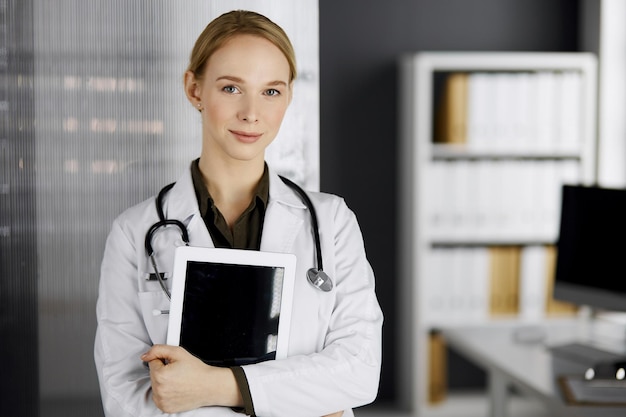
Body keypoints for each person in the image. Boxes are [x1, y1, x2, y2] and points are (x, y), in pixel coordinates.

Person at [94, 9, 383, 417]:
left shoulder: (332, 223)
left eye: (271, 91)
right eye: (231, 88)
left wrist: (212, 386)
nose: (252, 113)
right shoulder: (134, 233)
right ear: (194, 90)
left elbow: (359, 372)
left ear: (288, 96)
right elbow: (128, 398)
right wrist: (299, 400)